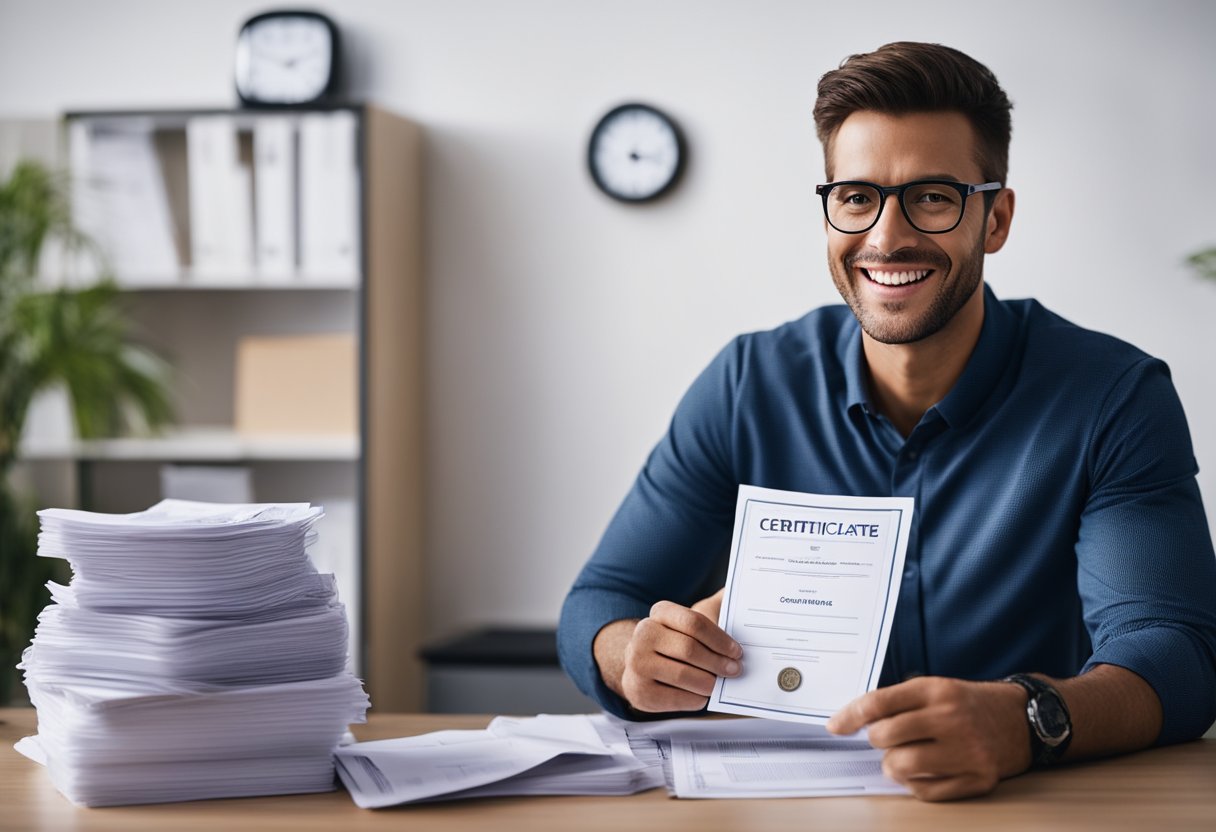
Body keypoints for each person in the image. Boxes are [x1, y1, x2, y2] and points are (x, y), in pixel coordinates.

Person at [557, 41, 1216, 801]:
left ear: (994, 218)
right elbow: (600, 600)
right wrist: (630, 653)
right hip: (777, 810)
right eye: (856, 196)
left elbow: (1178, 655)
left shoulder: (1113, 396)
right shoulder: (746, 384)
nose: (886, 236)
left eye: (932, 196)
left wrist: (1026, 719)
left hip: (1022, 807)